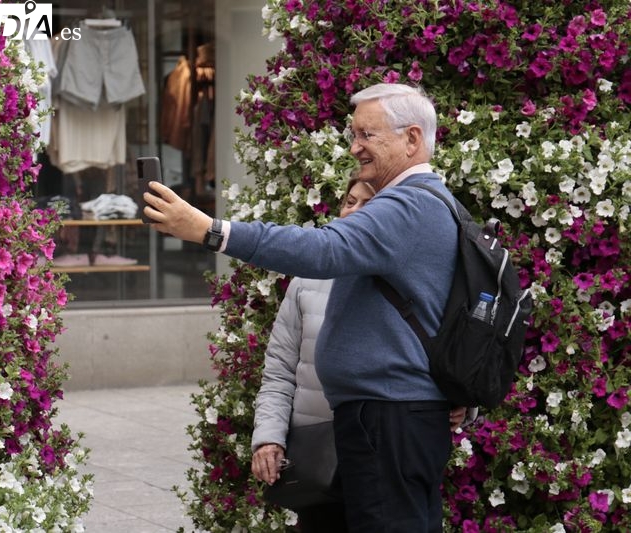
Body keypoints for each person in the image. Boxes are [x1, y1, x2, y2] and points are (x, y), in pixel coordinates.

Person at [144, 83, 460, 532]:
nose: (355, 147)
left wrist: (211, 231)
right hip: (389, 419)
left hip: (390, 420)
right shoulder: (420, 203)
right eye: (354, 134)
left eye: (367, 135)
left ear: (411, 139)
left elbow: (322, 249)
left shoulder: (408, 205)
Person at [250, 177, 472, 533]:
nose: (354, 211)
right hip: (319, 455)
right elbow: (279, 372)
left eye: (368, 204)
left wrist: (460, 403)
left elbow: (448, 354)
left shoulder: (414, 278)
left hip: (387, 443)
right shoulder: (307, 281)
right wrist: (269, 437)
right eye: (349, 201)